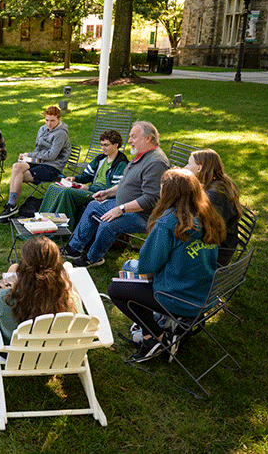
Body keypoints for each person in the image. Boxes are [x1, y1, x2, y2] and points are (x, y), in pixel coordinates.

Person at [107, 168, 226, 362]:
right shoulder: (207, 216)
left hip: (177, 297)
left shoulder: (169, 222)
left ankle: (155, 337)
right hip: (204, 294)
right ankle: (166, 331)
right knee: (130, 269)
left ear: (169, 193)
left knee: (115, 289)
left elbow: (147, 265)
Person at [64, 121, 169, 268]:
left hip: (143, 215)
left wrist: (121, 209)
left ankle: (93, 258)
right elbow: (126, 183)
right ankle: (74, 248)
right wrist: (107, 193)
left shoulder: (156, 162)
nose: (129, 140)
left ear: (148, 139)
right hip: (122, 204)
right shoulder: (141, 156)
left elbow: (151, 199)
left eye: (133, 137)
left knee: (109, 223)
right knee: (94, 205)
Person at [0, 236, 84, 342]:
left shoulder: (5, 299)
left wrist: (10, 291)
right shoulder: (70, 298)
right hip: (60, 354)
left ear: (25, 266)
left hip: (17, 354)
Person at [38, 130, 128, 229]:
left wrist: (88, 189)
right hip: (91, 189)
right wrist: (74, 178)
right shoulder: (100, 159)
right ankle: (41, 221)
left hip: (100, 195)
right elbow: (86, 175)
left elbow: (114, 189)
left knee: (67, 192)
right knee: (54, 187)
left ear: (116, 145)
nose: (103, 148)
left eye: (106, 145)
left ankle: (63, 228)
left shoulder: (121, 164)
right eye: (102, 145)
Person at [0, 106, 71, 220]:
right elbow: (38, 150)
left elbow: (52, 156)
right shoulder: (42, 129)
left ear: (59, 119)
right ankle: (11, 206)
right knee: (16, 167)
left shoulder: (61, 134)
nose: (49, 124)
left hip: (52, 167)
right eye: (47, 120)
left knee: (19, 175)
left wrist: (30, 155)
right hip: (39, 162)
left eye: (52, 120)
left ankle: (11, 206)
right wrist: (26, 157)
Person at [184, 149, 242, 266]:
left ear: (199, 168)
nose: (185, 167)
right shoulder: (216, 183)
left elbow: (200, 227)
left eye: (189, 164)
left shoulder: (215, 195)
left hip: (217, 252)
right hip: (216, 242)